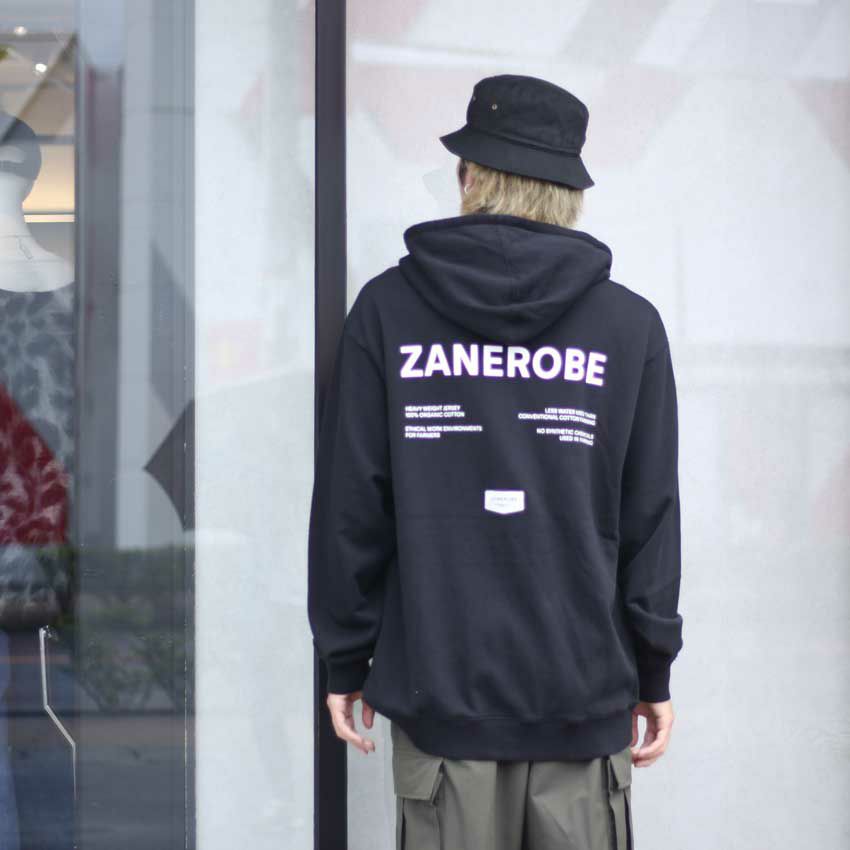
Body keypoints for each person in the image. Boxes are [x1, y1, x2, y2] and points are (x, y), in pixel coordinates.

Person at [308, 74, 684, 850]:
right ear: (570, 194)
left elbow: (352, 506)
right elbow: (650, 517)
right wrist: (653, 668)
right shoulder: (628, 326)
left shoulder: (387, 311)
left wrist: (345, 658)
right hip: (582, 701)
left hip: (443, 703)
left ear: (468, 176)